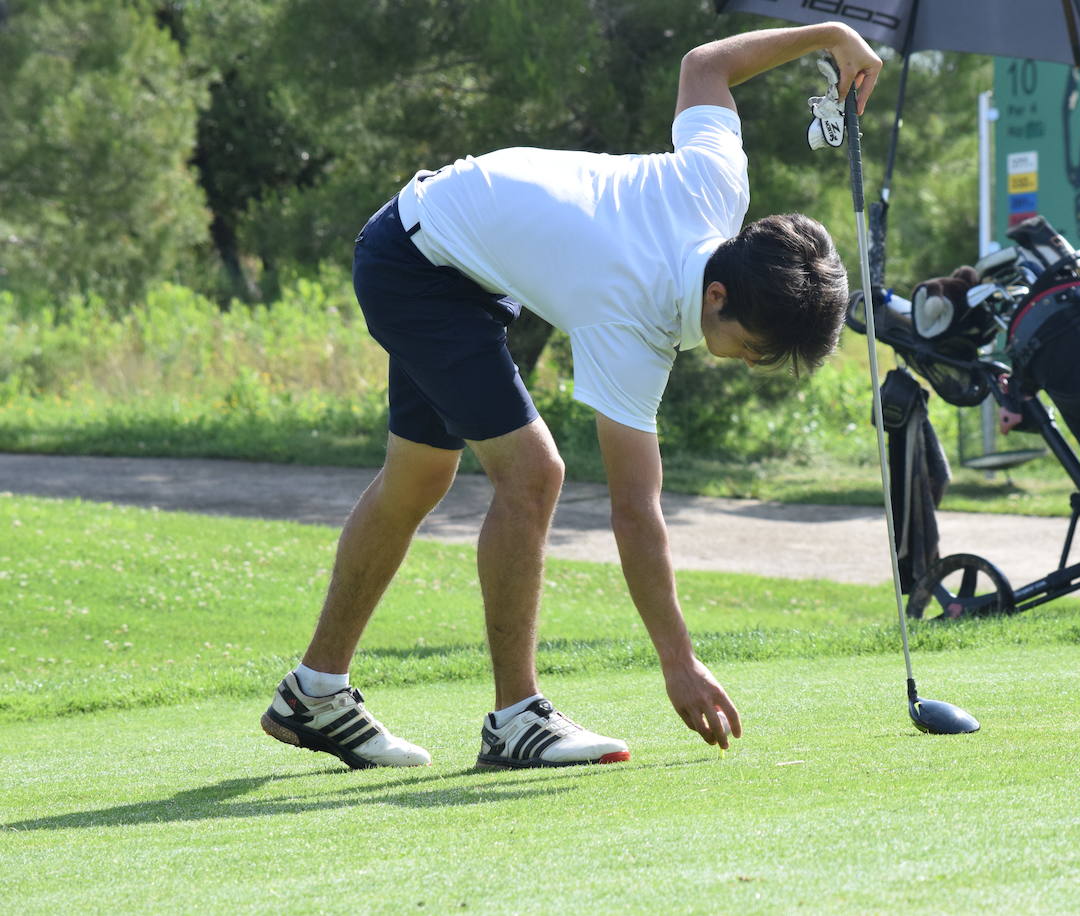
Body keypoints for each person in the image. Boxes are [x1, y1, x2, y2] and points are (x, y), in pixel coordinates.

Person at [259, 23, 883, 770]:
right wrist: (679, 662)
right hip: (416, 267)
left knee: (418, 476)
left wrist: (832, 35)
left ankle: (314, 693)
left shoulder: (717, 190)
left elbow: (706, 62)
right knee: (534, 475)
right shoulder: (632, 311)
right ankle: (515, 718)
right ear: (717, 296)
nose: (750, 364)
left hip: (445, 250)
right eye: (753, 347)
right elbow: (634, 510)